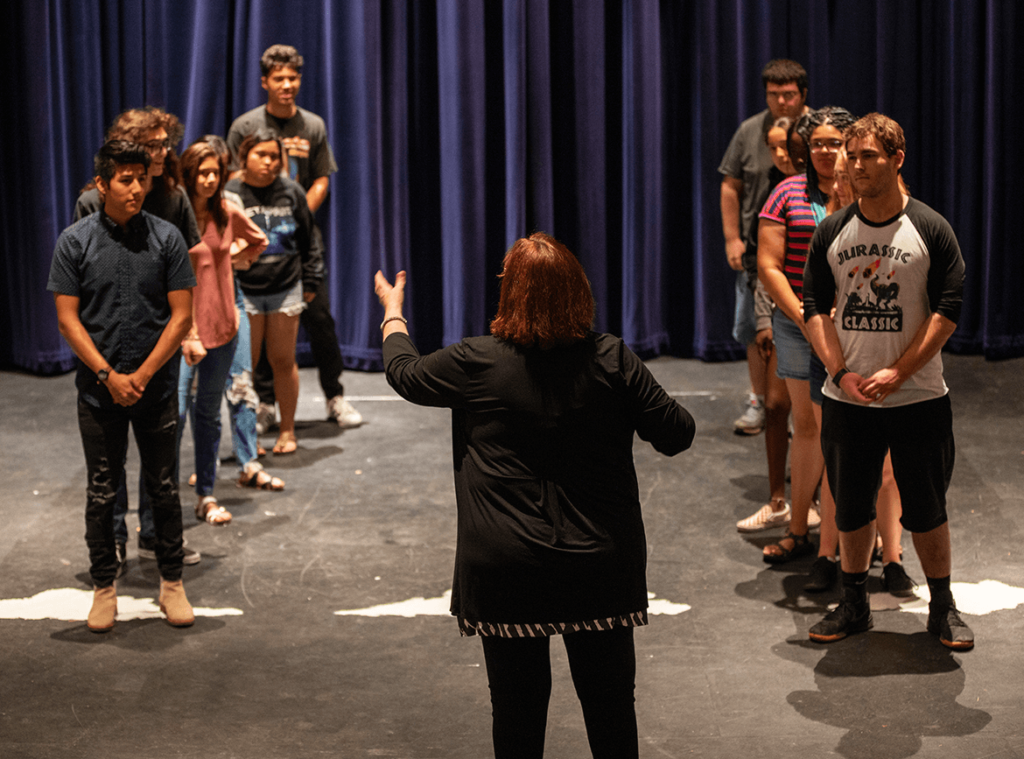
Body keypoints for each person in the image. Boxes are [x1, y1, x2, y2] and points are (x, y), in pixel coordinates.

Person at [375, 233, 696, 759]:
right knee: (611, 710)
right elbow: (677, 433)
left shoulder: (477, 361)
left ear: (510, 296)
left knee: (517, 716)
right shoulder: (612, 360)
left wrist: (393, 313)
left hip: (508, 572)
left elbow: (404, 373)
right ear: (579, 292)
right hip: (599, 569)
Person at [802, 113, 972, 649]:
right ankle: (854, 603)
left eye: (867, 156)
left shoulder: (930, 228)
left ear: (897, 160)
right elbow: (812, 307)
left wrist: (899, 371)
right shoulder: (832, 230)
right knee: (851, 506)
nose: (853, 166)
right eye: (850, 156)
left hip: (918, 398)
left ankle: (942, 606)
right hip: (848, 399)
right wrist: (841, 373)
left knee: (927, 508)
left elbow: (948, 308)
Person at [47, 140, 196, 631]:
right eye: (126, 179)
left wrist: (144, 375)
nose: (136, 188)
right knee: (101, 491)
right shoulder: (75, 240)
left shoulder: (168, 237)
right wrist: (110, 376)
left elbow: (180, 317)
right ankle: (104, 588)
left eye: (143, 178)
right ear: (101, 184)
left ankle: (171, 584)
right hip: (98, 391)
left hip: (154, 388)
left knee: (165, 488)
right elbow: (69, 321)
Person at [74, 107, 204, 571]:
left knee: (162, 461)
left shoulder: (173, 197)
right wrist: (109, 371)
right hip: (110, 355)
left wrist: (189, 331)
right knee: (109, 466)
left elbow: (188, 270)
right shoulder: (91, 206)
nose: (160, 154)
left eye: (164, 145)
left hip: (162, 346)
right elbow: (86, 290)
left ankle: (155, 537)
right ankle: (112, 543)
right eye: (151, 146)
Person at [226, 44, 362, 432]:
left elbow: (321, 176)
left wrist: (298, 207)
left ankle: (334, 395)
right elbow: (234, 181)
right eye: (279, 79)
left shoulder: (313, 125)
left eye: (293, 78)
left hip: (295, 232)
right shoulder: (244, 126)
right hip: (255, 236)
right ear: (265, 82)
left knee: (318, 316)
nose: (287, 85)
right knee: (262, 327)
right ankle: (265, 403)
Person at [804, 148, 915, 595]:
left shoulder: (902, 225)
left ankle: (892, 557)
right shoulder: (832, 227)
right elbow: (815, 296)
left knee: (888, 471)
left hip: (885, 361)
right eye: (841, 180)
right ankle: (826, 555)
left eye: (847, 178)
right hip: (835, 359)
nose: (841, 184)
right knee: (839, 467)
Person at [757, 107, 857, 564]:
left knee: (852, 431)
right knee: (808, 427)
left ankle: (857, 534)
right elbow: (768, 266)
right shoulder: (785, 194)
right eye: (817, 142)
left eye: (834, 142)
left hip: (853, 328)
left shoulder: (861, 192)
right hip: (797, 326)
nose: (824, 151)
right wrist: (803, 315)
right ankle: (800, 530)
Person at [176, 139, 283, 526]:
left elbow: (259, 240)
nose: (209, 179)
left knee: (209, 414)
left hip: (222, 326)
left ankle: (206, 494)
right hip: (182, 332)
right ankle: (164, 499)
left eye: (214, 173)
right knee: (176, 413)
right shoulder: (176, 214)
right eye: (201, 173)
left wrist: (237, 259)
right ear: (188, 176)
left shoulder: (226, 210)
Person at [719, 59, 809, 436]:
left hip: (803, 251)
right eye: (774, 95)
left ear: (803, 95)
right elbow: (730, 186)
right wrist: (732, 237)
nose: (782, 102)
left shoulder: (815, 130)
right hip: (758, 251)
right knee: (755, 331)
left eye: (789, 95)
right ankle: (761, 399)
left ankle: (799, 405)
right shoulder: (749, 130)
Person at [225, 130, 323, 454]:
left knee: (283, 361)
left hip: (285, 289)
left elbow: (310, 240)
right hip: (244, 292)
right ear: (244, 157)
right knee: (245, 368)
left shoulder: (292, 191)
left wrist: (311, 282)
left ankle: (287, 430)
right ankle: (248, 438)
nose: (268, 162)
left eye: (274, 156)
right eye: (261, 155)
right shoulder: (231, 192)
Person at [736, 117, 796, 532]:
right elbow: (766, 266)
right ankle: (779, 500)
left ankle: (822, 505)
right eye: (774, 148)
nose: (780, 155)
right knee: (776, 407)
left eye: (786, 148)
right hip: (782, 313)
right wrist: (765, 319)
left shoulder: (833, 192)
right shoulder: (778, 194)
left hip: (821, 318)